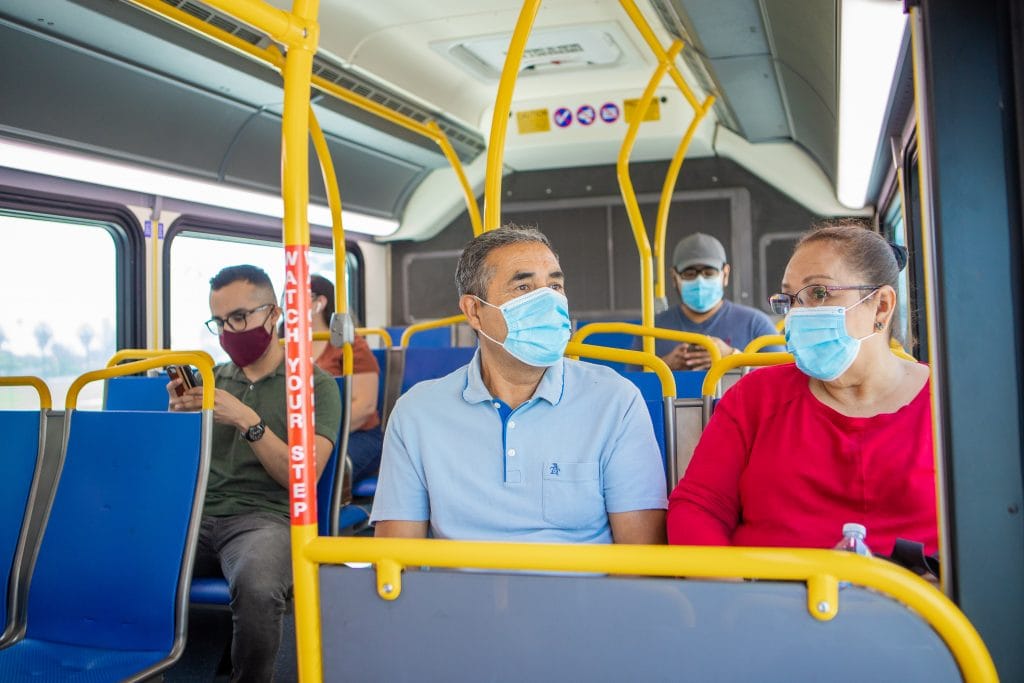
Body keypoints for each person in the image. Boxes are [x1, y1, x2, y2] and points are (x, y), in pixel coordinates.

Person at [370, 225, 667, 543]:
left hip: (581, 591)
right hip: (460, 591)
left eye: (555, 285)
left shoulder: (615, 401)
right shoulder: (417, 413)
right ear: (474, 311)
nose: (548, 300)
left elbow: (642, 557)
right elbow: (397, 559)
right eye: (524, 288)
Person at [666, 220, 938, 556]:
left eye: (818, 293)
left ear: (880, 306)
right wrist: (730, 596)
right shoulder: (754, 399)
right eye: (790, 300)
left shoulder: (946, 406)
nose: (797, 315)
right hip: (767, 600)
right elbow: (697, 507)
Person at [168, 265, 342, 682]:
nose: (230, 331)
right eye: (221, 322)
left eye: (240, 318)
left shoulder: (315, 386)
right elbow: (182, 468)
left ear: (274, 314)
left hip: (266, 518)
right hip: (197, 514)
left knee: (259, 586)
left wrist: (247, 419)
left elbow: (303, 477)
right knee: (123, 558)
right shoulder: (210, 380)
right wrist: (176, 421)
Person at [640, 232, 781, 370]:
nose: (700, 281)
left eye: (709, 273)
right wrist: (662, 366)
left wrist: (733, 358)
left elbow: (783, 377)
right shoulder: (651, 330)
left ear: (725, 274)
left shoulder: (755, 324)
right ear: (674, 278)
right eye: (689, 274)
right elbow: (631, 384)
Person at [307, 274, 383, 483]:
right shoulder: (286, 347)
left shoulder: (349, 347)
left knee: (318, 469)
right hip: (307, 436)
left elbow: (365, 406)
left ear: (319, 303)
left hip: (355, 433)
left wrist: (320, 436)